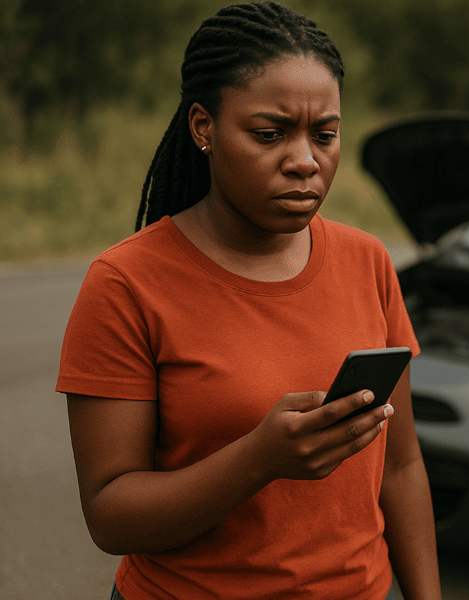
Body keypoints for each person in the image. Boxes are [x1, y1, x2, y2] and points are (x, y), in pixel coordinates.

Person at [56, 3, 441, 599]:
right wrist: (258, 459)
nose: (305, 161)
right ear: (203, 127)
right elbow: (110, 513)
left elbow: (402, 466)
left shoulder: (367, 261)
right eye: (270, 134)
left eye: (325, 135)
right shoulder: (125, 283)